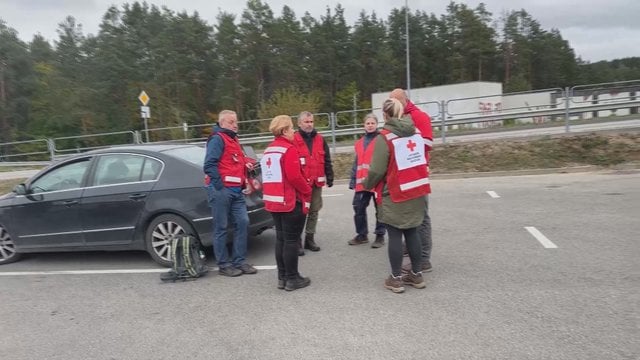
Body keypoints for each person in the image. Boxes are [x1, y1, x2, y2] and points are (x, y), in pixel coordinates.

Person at [362, 98, 431, 293]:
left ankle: (396, 279)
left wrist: (366, 184)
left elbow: (376, 169)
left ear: (385, 115)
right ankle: (416, 275)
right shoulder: (416, 132)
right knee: (412, 232)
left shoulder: (384, 138)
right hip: (416, 189)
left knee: (394, 235)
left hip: (395, 192)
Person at [260, 115, 313, 291]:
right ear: (284, 131)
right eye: (291, 128)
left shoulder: (269, 150)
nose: (293, 132)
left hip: (274, 202)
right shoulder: (288, 149)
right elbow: (294, 176)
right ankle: (292, 278)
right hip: (290, 201)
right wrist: (307, 190)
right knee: (291, 240)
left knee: (281, 239)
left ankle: (282, 277)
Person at [203, 110, 258, 277]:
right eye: (231, 122)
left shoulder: (233, 139)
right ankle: (224, 264)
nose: (235, 125)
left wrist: (246, 175)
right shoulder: (217, 139)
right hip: (222, 191)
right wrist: (220, 186)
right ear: (222, 123)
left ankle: (239, 261)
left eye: (236, 122)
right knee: (221, 227)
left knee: (242, 222)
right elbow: (209, 164)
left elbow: (237, 162)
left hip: (236, 191)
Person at [389, 88, 434, 273]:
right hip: (403, 174)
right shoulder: (398, 117)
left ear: (404, 101)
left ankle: (424, 258)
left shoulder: (419, 117)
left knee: (422, 216)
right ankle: (413, 247)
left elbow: (428, 143)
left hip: (417, 172)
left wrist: (409, 142)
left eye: (395, 101)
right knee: (410, 214)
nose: (392, 104)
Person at [293, 111, 334, 255]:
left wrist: (330, 176)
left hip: (316, 183)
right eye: (306, 122)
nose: (309, 124)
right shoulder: (293, 139)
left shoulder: (320, 139)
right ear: (299, 123)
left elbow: (327, 159)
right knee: (299, 213)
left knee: (314, 211)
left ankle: (309, 239)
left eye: (311, 122)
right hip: (300, 184)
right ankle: (296, 241)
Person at [348, 113, 386, 248]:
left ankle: (380, 235)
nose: (370, 126)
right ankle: (362, 235)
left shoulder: (382, 140)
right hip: (362, 183)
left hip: (377, 182)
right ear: (364, 125)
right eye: (367, 123)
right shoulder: (359, 143)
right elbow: (357, 163)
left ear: (377, 125)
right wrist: (353, 180)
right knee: (358, 208)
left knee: (380, 209)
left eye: (372, 123)